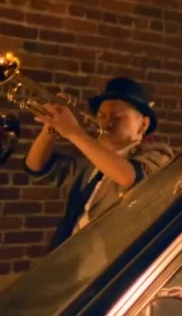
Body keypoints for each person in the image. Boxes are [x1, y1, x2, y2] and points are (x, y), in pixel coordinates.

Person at [25, 77, 173, 248]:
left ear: (143, 125)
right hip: (69, 255)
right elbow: (36, 167)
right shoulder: (92, 158)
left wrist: (74, 132)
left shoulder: (157, 154)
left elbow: (132, 178)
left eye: (117, 117)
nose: (106, 123)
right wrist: (51, 128)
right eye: (102, 116)